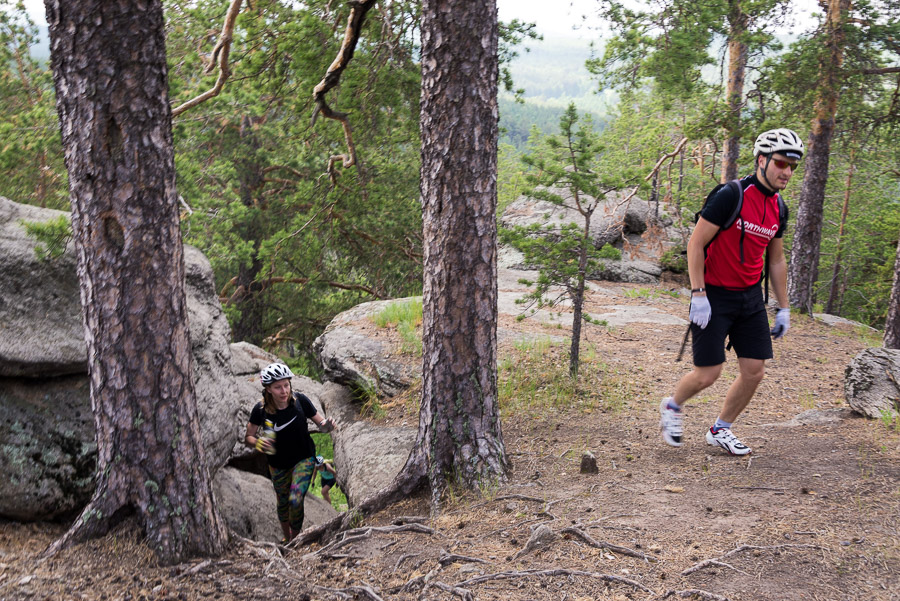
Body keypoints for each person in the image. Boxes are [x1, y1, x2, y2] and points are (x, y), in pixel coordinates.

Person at [660, 128, 802, 456]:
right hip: (713, 296)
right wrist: (698, 293)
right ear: (763, 160)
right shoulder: (730, 195)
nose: (787, 172)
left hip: (750, 297)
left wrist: (784, 308)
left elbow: (776, 259)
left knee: (755, 372)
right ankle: (672, 406)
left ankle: (720, 429)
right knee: (708, 373)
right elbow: (696, 244)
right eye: (781, 163)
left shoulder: (779, 208)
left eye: (792, 166)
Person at [245, 362, 336, 542]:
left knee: (295, 499)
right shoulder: (260, 410)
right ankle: (288, 540)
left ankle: (296, 539)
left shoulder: (300, 401)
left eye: (286, 385)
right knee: (283, 503)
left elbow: (321, 424)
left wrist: (328, 426)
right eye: (278, 387)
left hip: (304, 459)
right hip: (277, 465)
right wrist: (260, 444)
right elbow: (249, 437)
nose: (284, 390)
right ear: (268, 389)